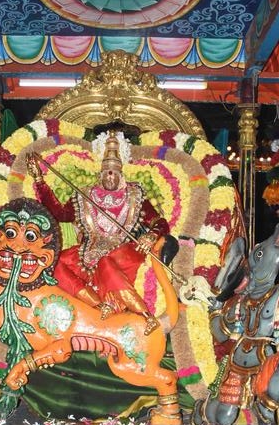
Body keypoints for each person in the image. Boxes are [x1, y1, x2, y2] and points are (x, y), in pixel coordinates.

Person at [27, 131, 172, 335]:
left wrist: (151, 235)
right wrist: (39, 180)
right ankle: (98, 305)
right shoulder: (85, 195)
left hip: (124, 251)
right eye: (107, 173)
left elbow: (159, 222)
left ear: (121, 174)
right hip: (89, 250)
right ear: (100, 174)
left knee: (105, 262)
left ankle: (144, 315)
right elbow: (60, 213)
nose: (110, 177)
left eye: (114, 173)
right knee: (56, 262)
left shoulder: (134, 195)